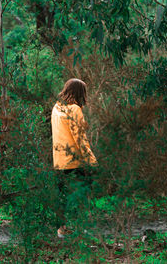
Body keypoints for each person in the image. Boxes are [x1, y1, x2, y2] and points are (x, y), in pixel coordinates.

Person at [51, 78, 97, 238]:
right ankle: (81, 227)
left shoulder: (57, 107)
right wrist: (90, 159)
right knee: (82, 193)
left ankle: (61, 230)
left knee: (63, 196)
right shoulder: (74, 109)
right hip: (75, 161)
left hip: (59, 161)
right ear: (79, 93)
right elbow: (79, 138)